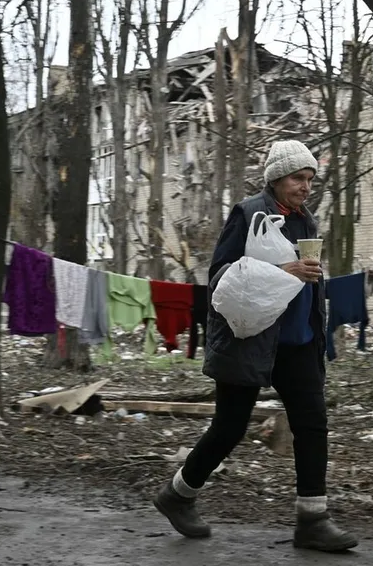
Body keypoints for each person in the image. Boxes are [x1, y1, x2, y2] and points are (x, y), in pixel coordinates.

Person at [153, 140, 358, 552]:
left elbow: (308, 278)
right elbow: (220, 277)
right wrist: (283, 269)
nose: (306, 186)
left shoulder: (306, 221)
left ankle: (312, 520)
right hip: (250, 340)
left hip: (298, 341)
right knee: (229, 427)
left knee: (312, 424)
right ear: (277, 177)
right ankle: (178, 494)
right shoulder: (248, 214)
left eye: (310, 179)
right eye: (299, 178)